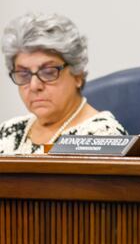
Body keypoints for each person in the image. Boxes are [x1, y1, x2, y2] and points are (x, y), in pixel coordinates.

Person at [0, 13, 127, 155]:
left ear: (77, 75)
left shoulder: (103, 137)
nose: (34, 86)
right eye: (24, 75)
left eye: (48, 72)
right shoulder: (7, 132)